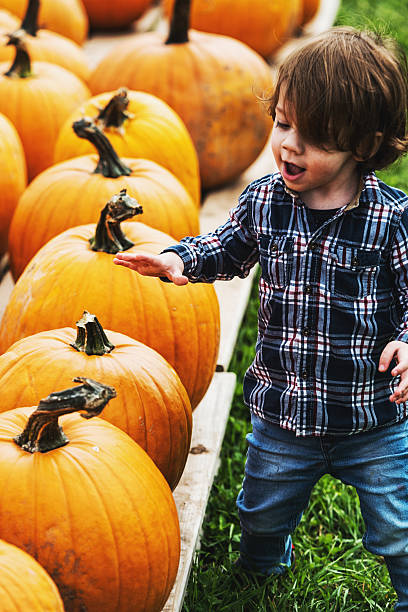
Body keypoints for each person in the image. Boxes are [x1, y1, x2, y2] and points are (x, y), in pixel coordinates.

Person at [114, 26, 408, 609]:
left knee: (398, 526)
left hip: (372, 419)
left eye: (315, 136)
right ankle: (263, 565)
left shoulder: (390, 221)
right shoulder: (265, 201)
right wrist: (177, 257)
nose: (289, 146)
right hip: (283, 414)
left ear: (365, 143)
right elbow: (225, 247)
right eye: (283, 123)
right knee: (260, 512)